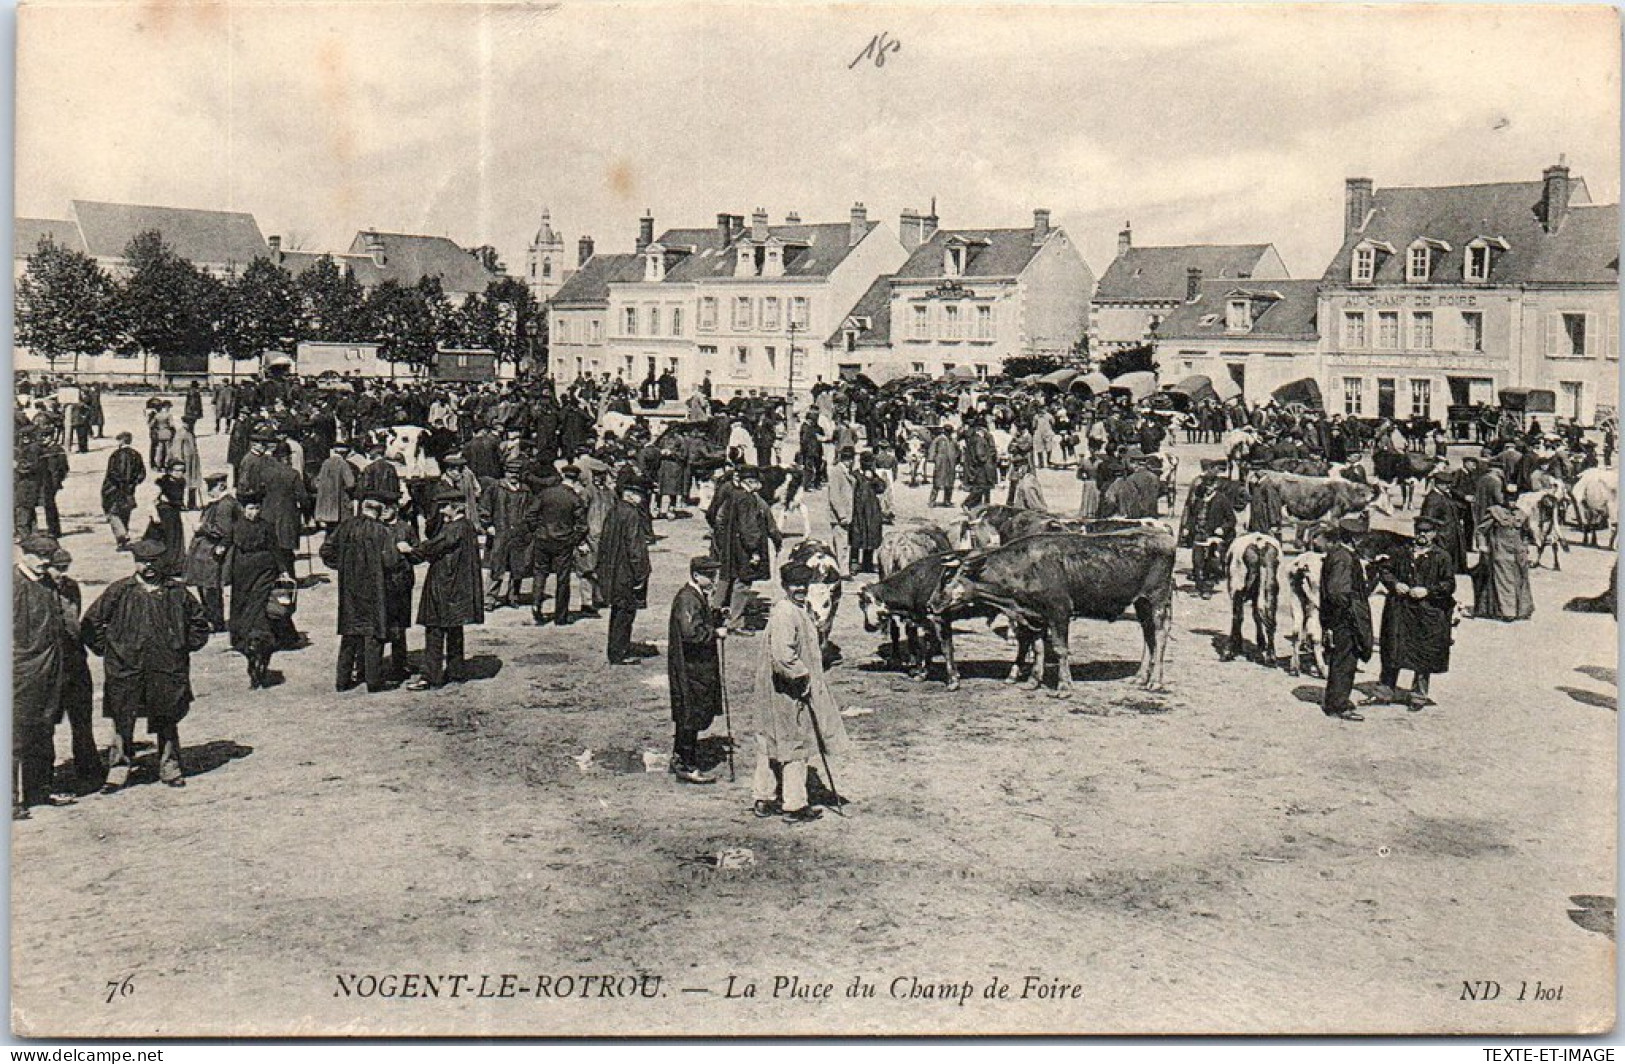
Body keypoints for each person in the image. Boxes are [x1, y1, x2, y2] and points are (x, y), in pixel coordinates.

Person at [81, 538, 212, 791]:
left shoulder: (177, 592)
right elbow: (91, 622)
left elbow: (199, 623)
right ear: (135, 562)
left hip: (165, 667)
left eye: (154, 562)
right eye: (143, 562)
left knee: (167, 716)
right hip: (126, 668)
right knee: (123, 718)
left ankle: (170, 767)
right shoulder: (120, 591)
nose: (149, 567)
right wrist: (109, 651)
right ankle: (118, 770)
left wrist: (181, 647)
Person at [751, 561, 852, 823]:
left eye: (805, 585)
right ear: (785, 586)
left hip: (777, 690)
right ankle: (794, 805)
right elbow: (784, 657)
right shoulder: (786, 613)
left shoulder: (792, 609)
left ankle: (765, 797)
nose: (801, 590)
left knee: (771, 742)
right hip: (788, 690)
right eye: (795, 585)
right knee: (795, 745)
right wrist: (803, 677)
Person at [322, 491, 410, 692]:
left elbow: (326, 551)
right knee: (373, 633)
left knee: (349, 633)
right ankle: (373, 681)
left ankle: (342, 681)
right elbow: (391, 562)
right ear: (378, 512)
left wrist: (343, 566)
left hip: (350, 588)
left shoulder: (345, 527)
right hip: (375, 588)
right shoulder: (382, 532)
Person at [1366, 516, 1455, 710]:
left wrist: (1428, 591)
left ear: (1434, 534)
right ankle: (1384, 692)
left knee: (1423, 654)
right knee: (1392, 650)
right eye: (1419, 530)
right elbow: (1385, 571)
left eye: (1427, 532)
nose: (1422, 535)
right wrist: (1395, 584)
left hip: (1427, 611)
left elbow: (1449, 584)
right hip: (1399, 609)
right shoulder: (1400, 552)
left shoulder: (1442, 557)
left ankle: (1418, 696)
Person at [13, 534, 73, 817]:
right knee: (14, 736)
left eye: (48, 558)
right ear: (23, 554)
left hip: (49, 671)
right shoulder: (12, 585)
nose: (44, 563)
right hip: (20, 674)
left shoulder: (47, 583)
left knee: (43, 730)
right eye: (38, 557)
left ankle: (38, 791)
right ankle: (11, 801)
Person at [405, 486, 485, 691]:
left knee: (435, 629)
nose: (441, 511)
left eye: (444, 507)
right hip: (458, 587)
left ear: (454, 507)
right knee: (455, 629)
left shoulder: (453, 529)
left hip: (444, 585)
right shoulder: (467, 527)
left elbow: (431, 548)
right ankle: (456, 671)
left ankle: (431, 676)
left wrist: (409, 550)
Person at [44, 545, 104, 794]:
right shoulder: (37, 590)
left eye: (64, 569)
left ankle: (89, 769)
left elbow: (75, 622)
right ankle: (44, 777)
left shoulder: (71, 588)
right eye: (57, 569)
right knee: (46, 723)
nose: (61, 574)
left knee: (82, 718)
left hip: (75, 661)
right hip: (49, 665)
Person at [668, 556, 727, 785]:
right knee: (690, 714)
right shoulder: (687, 599)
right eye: (709, 575)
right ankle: (687, 764)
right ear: (695, 576)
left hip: (695, 667)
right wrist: (716, 633)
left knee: (689, 713)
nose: (714, 580)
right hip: (690, 668)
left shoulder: (695, 596)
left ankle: (680, 758)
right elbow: (690, 633)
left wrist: (716, 615)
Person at [226, 490, 292, 688]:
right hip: (242, 574)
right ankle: (248, 644)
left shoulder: (267, 527)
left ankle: (260, 646)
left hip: (265, 571)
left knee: (261, 607)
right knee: (243, 607)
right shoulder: (236, 527)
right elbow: (226, 547)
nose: (254, 512)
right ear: (244, 509)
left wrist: (283, 571)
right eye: (250, 508)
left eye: (257, 508)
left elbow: (275, 549)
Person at [1317, 518, 1374, 722]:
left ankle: (1336, 700)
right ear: (1353, 538)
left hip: (1340, 618)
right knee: (1345, 660)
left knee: (1342, 659)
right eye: (1360, 537)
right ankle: (1338, 705)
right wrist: (1350, 611)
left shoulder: (1341, 555)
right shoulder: (1344, 558)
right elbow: (1337, 593)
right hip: (1344, 619)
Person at [597, 476, 655, 665]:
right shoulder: (631, 514)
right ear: (630, 495)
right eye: (639, 494)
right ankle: (619, 652)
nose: (642, 498)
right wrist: (641, 573)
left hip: (613, 570)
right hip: (626, 572)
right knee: (626, 612)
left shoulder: (614, 510)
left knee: (618, 611)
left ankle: (617, 647)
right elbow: (635, 547)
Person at [526, 465, 587, 625]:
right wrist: (574, 539)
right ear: (576, 480)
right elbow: (582, 525)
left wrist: (537, 530)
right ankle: (560, 617)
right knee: (562, 578)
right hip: (563, 542)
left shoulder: (546, 493)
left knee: (540, 573)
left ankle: (536, 606)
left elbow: (531, 514)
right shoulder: (574, 498)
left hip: (543, 538)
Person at [185, 474, 240, 632]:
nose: (209, 491)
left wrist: (202, 527)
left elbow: (222, 531)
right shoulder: (220, 503)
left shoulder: (225, 505)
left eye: (211, 487)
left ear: (221, 486)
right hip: (208, 550)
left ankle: (216, 621)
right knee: (206, 585)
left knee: (211, 587)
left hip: (213, 551)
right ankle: (211, 619)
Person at [1475, 483, 1535, 621]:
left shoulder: (1522, 514)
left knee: (1520, 581)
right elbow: (1480, 531)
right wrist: (1483, 546)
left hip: (1518, 554)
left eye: (1514, 499)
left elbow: (1526, 533)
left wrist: (1526, 547)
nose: (1511, 502)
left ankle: (1521, 610)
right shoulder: (1495, 512)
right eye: (1509, 498)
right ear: (1504, 497)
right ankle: (1508, 612)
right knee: (1504, 582)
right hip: (1501, 552)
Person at [102, 431, 146, 551]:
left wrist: (119, 483)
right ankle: (123, 537)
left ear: (121, 441)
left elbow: (112, 473)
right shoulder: (136, 454)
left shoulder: (116, 455)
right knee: (125, 512)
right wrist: (133, 483)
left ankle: (122, 537)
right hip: (129, 490)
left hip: (114, 489)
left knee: (112, 513)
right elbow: (142, 474)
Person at [850, 453, 884, 574]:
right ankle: (853, 564)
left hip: (872, 511)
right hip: (858, 511)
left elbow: (881, 487)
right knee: (856, 537)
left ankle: (867, 563)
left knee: (871, 537)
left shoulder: (873, 476)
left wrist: (873, 478)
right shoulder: (855, 475)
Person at [313, 442, 357, 530]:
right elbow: (350, 483)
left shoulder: (325, 463)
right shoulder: (343, 464)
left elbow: (317, 482)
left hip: (326, 504)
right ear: (344, 453)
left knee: (330, 530)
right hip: (340, 503)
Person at [826, 447, 856, 572]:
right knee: (841, 543)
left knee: (842, 542)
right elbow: (834, 496)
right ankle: (843, 571)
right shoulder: (836, 472)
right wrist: (842, 514)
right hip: (840, 516)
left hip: (846, 514)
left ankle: (841, 568)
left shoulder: (845, 471)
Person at [175, 416, 203, 509]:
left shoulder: (190, 433)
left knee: (193, 482)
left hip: (193, 462)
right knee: (181, 483)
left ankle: (192, 503)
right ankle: (179, 503)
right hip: (185, 462)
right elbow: (177, 449)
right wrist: (179, 463)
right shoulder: (181, 433)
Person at [928, 426, 958, 508]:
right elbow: (932, 449)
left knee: (949, 483)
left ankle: (947, 500)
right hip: (941, 463)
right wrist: (933, 458)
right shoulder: (939, 439)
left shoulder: (953, 441)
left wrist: (956, 459)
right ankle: (932, 501)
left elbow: (958, 451)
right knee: (937, 482)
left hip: (950, 463)